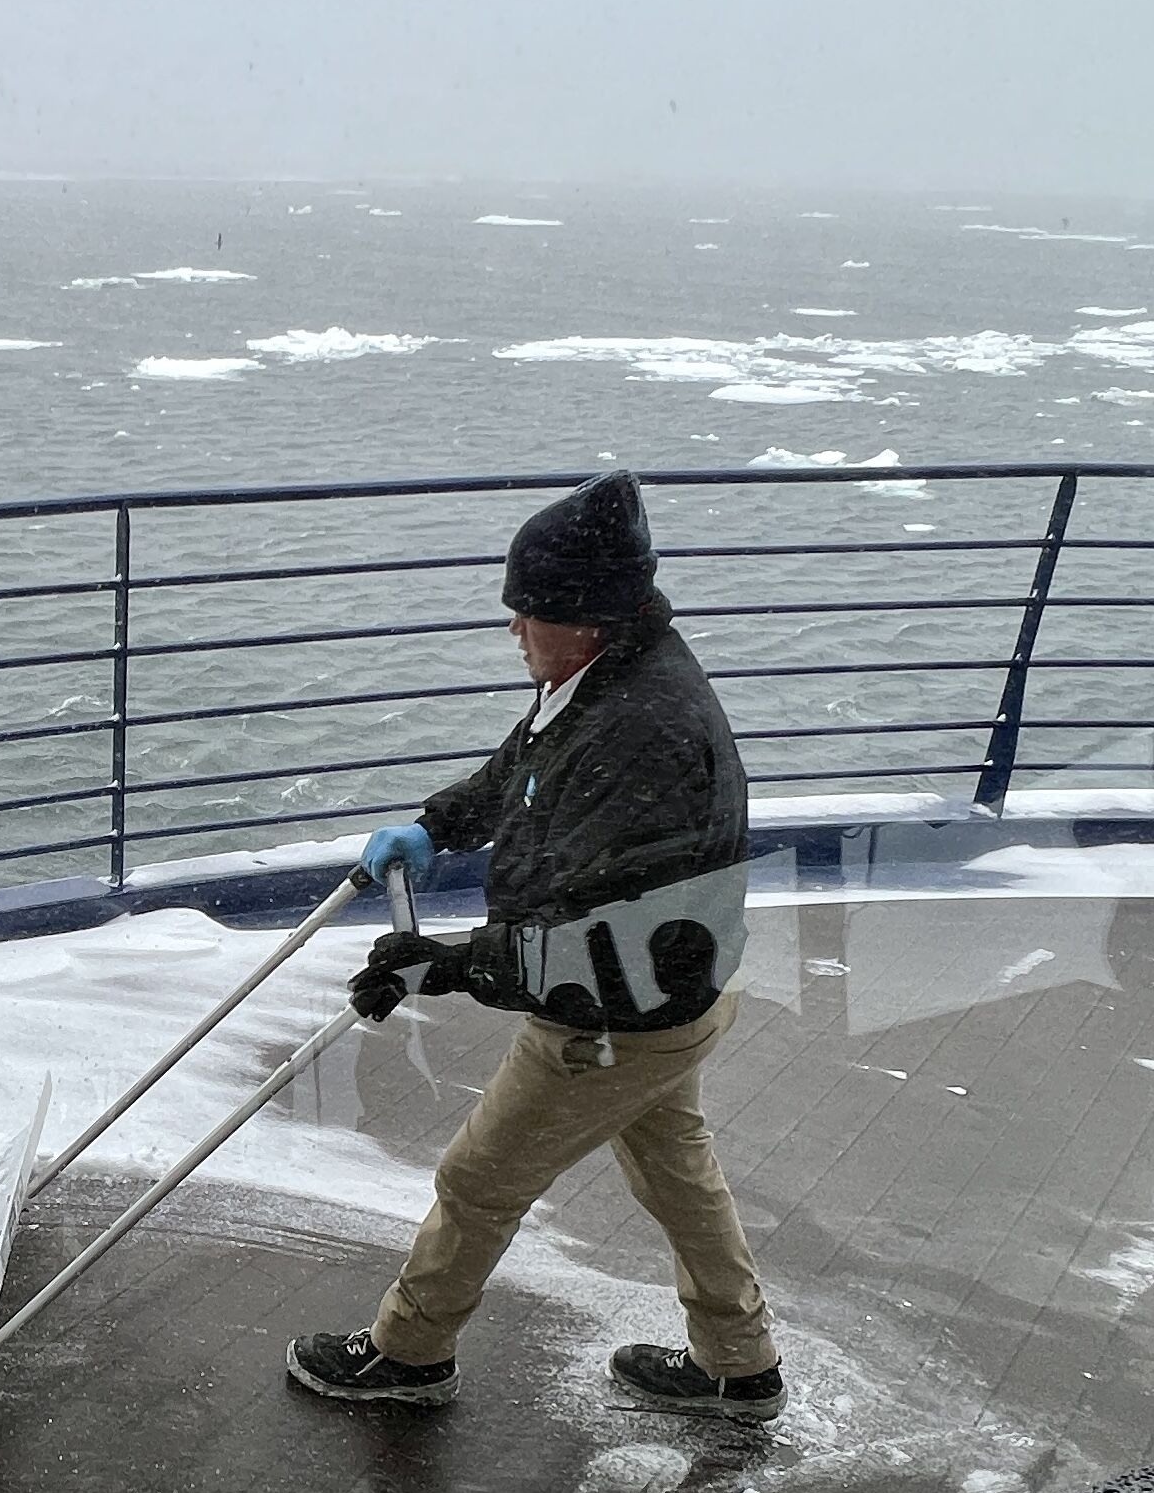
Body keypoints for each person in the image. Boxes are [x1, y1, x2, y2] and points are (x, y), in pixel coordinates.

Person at [287, 470, 785, 1420]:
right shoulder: (605, 677)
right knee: (677, 1174)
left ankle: (407, 1354)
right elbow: (520, 769)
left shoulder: (638, 731)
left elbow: (582, 937)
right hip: (673, 995)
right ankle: (739, 1363)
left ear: (587, 618)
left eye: (529, 611)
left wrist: (447, 965)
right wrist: (435, 827)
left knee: (478, 1180)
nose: (512, 627)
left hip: (613, 1016)